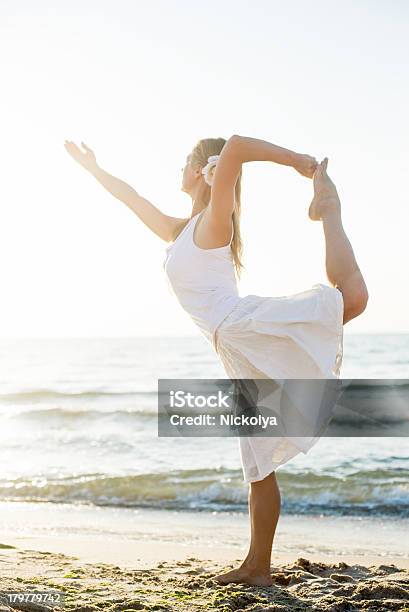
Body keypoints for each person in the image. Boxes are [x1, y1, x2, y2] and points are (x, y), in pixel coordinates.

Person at [64, 135, 368, 587]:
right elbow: (133, 199)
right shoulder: (181, 230)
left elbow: (239, 145)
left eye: (186, 162)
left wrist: (295, 162)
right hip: (233, 349)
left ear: (199, 171)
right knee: (258, 463)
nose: (179, 169)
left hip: (244, 327)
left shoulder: (215, 221)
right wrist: (94, 169)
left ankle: (330, 209)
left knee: (352, 299)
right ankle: (257, 568)